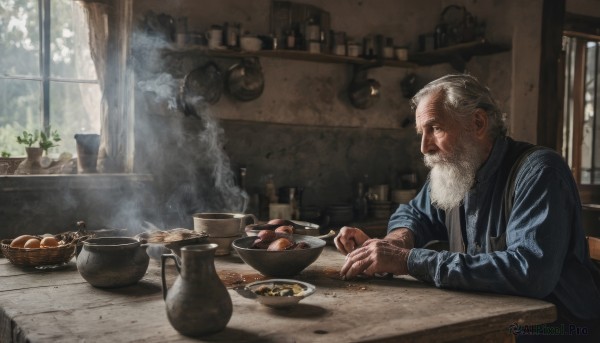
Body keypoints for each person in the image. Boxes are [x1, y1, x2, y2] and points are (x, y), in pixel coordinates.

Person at [334, 74, 600, 341]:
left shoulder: (540, 171)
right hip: (496, 315)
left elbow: (530, 272)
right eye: (421, 133)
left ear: (478, 122)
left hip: (557, 328)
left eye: (435, 128)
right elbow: (413, 213)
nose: (424, 147)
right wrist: (397, 241)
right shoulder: (456, 169)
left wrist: (407, 260)